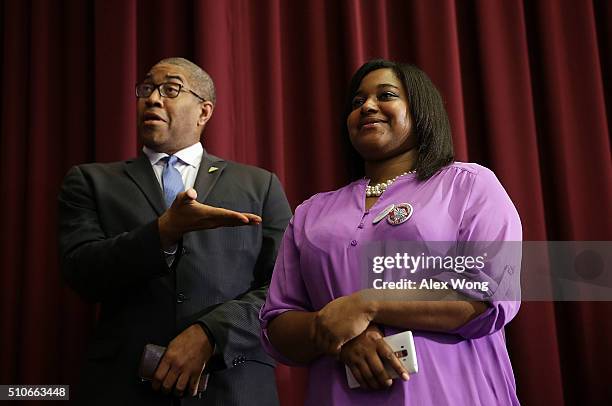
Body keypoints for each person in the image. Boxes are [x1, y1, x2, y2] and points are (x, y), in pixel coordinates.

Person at [260, 59, 522, 405]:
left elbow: (490, 293)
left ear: (421, 109)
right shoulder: (311, 212)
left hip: (452, 392)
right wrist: (340, 336)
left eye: (385, 95)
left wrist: (368, 304)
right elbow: (277, 325)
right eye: (357, 102)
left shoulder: (469, 184)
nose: (367, 106)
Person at [59, 57, 292, 406]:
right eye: (146, 89)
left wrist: (211, 334)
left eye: (170, 89)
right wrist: (162, 233)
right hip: (124, 388)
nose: (152, 99)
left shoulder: (260, 185)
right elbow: (81, 272)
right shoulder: (90, 181)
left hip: (234, 387)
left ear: (204, 112)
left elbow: (285, 285)